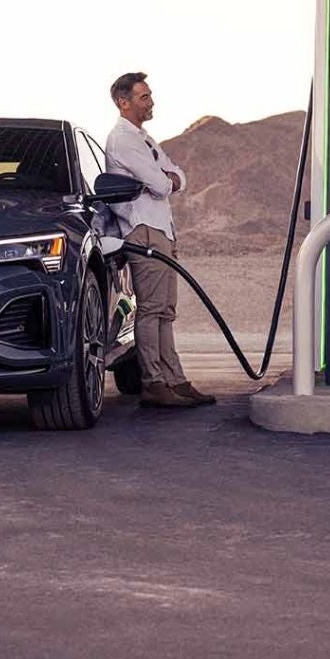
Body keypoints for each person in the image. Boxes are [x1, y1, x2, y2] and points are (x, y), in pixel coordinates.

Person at [105, 72, 215, 409]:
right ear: (124, 103)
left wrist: (170, 179)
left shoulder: (144, 138)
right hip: (143, 229)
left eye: (150, 95)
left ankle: (176, 380)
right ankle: (152, 381)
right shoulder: (122, 139)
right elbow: (162, 184)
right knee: (151, 309)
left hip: (162, 229)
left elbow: (177, 174)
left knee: (166, 310)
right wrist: (168, 180)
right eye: (143, 97)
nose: (151, 102)